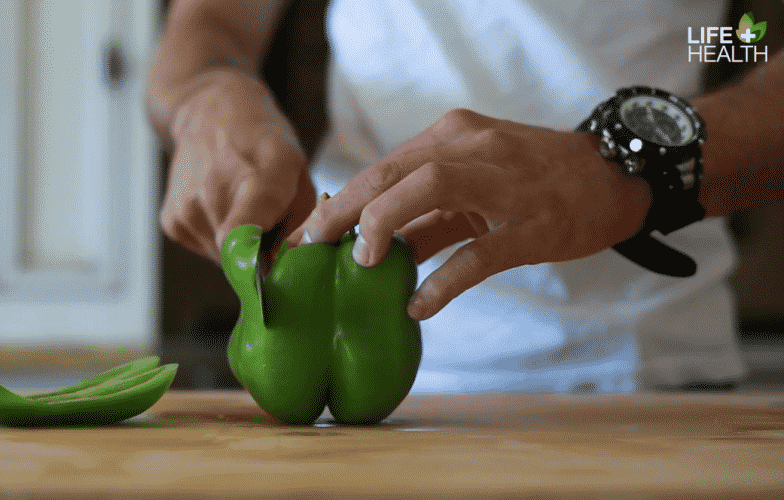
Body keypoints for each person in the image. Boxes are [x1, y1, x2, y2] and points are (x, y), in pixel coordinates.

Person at [147, 0, 783, 393]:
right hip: (348, 374)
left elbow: (755, 48)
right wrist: (206, 96)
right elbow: (211, 22)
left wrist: (624, 167)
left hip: (646, 366)